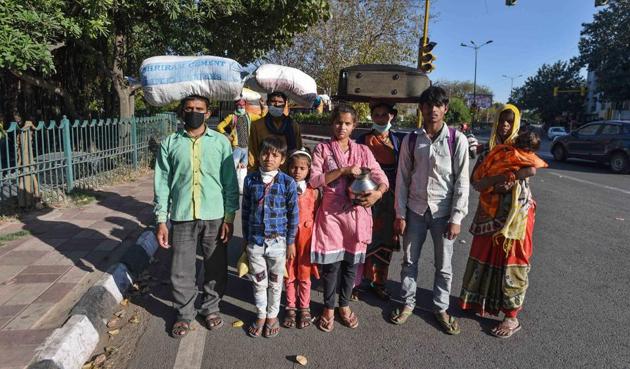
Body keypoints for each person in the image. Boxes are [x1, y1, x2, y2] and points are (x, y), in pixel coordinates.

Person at [154, 94, 239, 338]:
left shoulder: (221, 142)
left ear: (208, 113)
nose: (194, 112)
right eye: (189, 108)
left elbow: (229, 182)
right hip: (182, 215)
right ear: (182, 112)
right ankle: (184, 313)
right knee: (180, 269)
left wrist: (229, 217)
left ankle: (211, 308)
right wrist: (161, 220)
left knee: (215, 267)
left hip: (214, 214)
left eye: (199, 108)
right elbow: (162, 184)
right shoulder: (169, 143)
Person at [390, 86, 470, 335]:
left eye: (438, 105)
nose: (433, 110)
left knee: (444, 265)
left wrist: (457, 218)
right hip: (414, 210)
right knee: (409, 261)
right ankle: (407, 303)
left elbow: (462, 182)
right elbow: (402, 179)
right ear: (421, 109)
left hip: (443, 214)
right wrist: (400, 214)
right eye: (428, 105)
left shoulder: (457, 140)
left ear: (445, 108)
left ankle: (440, 308)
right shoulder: (412, 140)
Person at [460, 104, 540, 339]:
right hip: (489, 211)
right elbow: (476, 182)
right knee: (484, 255)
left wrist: (511, 178)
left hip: (517, 214)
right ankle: (478, 301)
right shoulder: (487, 151)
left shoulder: (521, 149)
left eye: (509, 121)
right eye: (502, 120)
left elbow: (531, 170)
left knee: (514, 261)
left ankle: (511, 316)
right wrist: (496, 183)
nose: (505, 125)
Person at [309, 104, 389, 333]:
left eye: (347, 123)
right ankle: (328, 307)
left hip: (357, 214)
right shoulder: (322, 150)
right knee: (332, 266)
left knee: (351, 265)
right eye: (338, 122)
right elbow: (314, 180)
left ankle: (343, 306)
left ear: (354, 126)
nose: (341, 127)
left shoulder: (363, 151)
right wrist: (343, 171)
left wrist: (377, 194)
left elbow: (380, 176)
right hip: (331, 215)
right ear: (331, 123)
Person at [241, 136, 298, 338]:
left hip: (278, 243)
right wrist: (246, 240)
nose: (269, 158)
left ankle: (273, 315)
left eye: (275, 155)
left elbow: (293, 215)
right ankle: (261, 315)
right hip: (255, 242)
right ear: (259, 154)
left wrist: (290, 242)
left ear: (282, 159)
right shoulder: (250, 180)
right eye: (265, 153)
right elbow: (246, 211)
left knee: (275, 282)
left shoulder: (288, 183)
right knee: (258, 281)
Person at [352, 102, 406, 301]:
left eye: (385, 115)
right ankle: (355, 282)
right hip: (366, 195)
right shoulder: (362, 139)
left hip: (390, 198)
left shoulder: (400, 140)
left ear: (392, 116)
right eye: (377, 115)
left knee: (385, 241)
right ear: (372, 116)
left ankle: (379, 282)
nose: (381, 118)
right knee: (361, 239)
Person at [282, 148, 320, 329]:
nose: (297, 171)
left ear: (309, 170)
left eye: (302, 168)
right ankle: (290, 306)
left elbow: (318, 215)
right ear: (288, 168)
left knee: (304, 274)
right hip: (288, 239)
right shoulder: (282, 187)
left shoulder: (314, 191)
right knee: (289, 272)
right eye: (294, 167)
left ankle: (304, 307)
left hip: (307, 239)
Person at [247, 91, 303, 172]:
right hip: (264, 171)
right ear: (268, 103)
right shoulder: (257, 125)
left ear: (285, 104)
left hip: (287, 172)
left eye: (280, 102)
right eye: (273, 101)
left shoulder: (293, 126)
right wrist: (253, 172)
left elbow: (298, 151)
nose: (277, 105)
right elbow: (252, 152)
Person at [216, 98, 266, 169]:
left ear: (245, 105)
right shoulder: (232, 117)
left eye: (243, 105)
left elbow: (261, 117)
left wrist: (262, 107)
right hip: (236, 147)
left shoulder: (249, 116)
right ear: (236, 106)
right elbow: (219, 126)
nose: (241, 107)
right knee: (233, 167)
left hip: (247, 147)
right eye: (239, 105)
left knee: (244, 169)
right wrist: (226, 135)